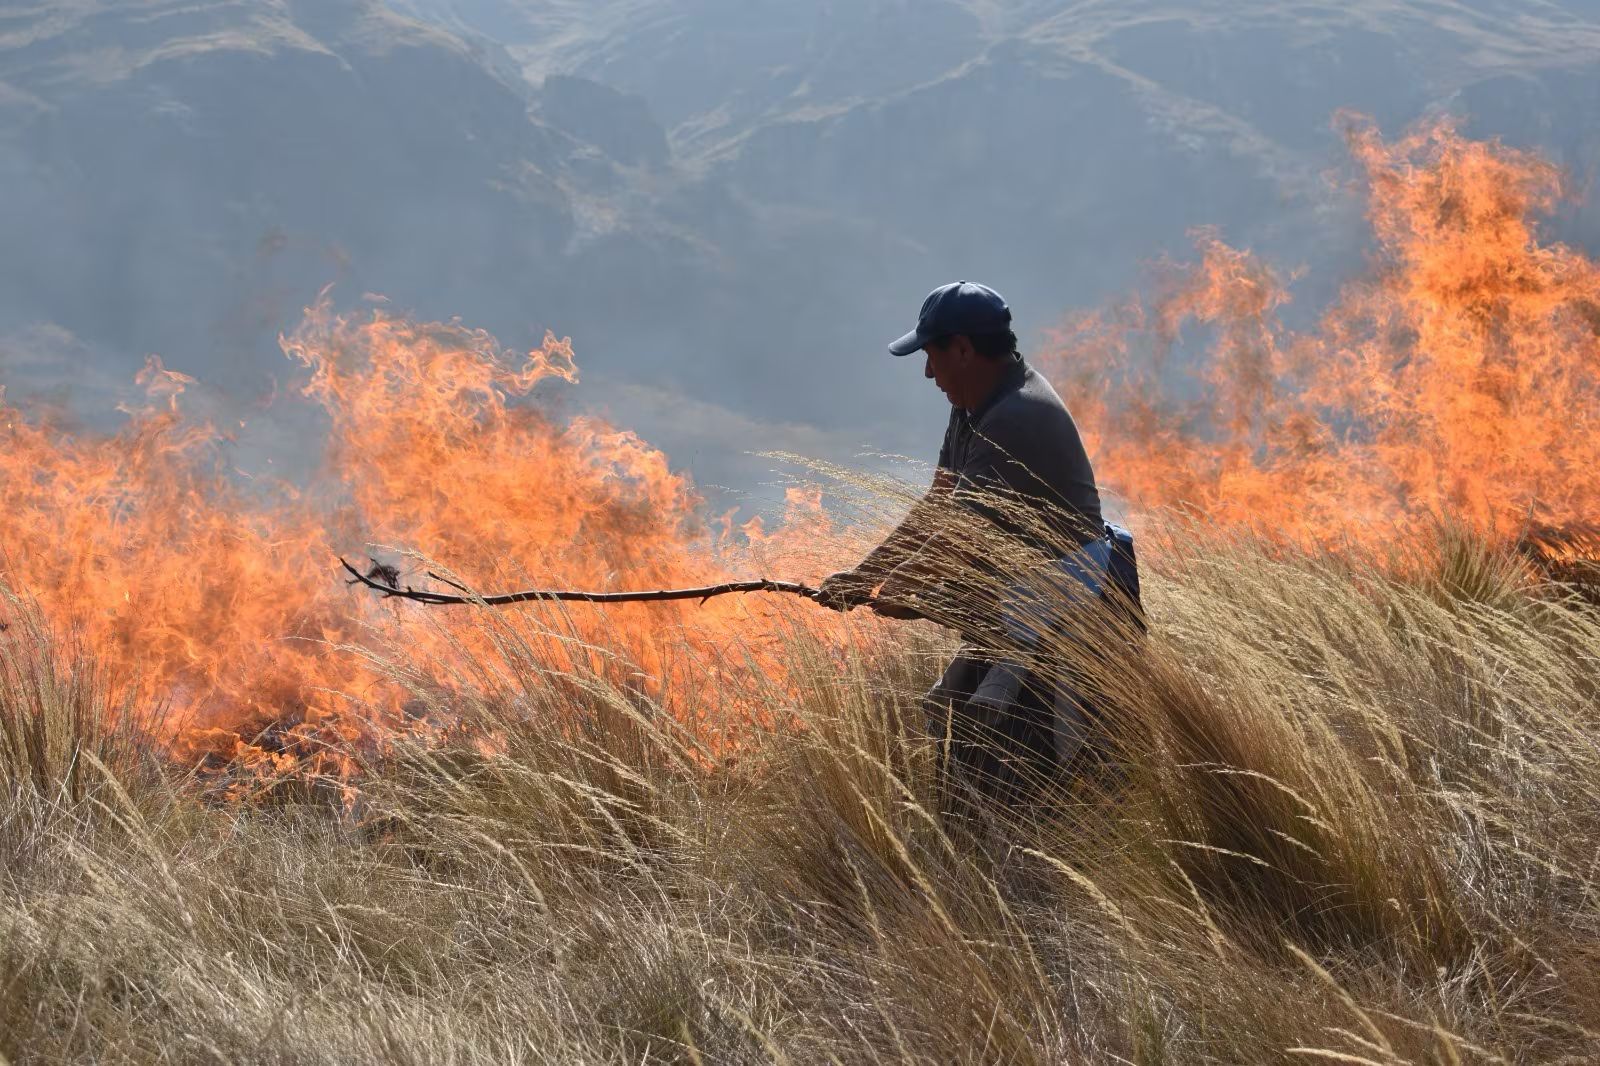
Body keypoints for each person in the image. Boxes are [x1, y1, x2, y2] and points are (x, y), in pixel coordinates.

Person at [819, 281, 1131, 811]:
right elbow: (938, 505)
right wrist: (862, 575)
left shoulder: (1015, 415)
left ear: (963, 349)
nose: (927, 373)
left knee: (1036, 776)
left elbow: (961, 539)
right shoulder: (973, 405)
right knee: (962, 729)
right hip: (1023, 611)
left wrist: (903, 592)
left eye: (932, 356)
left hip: (1068, 616)